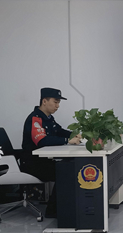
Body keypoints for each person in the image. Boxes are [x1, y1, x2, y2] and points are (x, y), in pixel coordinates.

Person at [21, 88, 81, 218]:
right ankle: (53, 210)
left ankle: (63, 207)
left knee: (68, 167)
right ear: (44, 101)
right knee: (65, 172)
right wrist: (67, 141)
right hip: (32, 164)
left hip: (44, 161)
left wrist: (75, 135)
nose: (57, 106)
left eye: (58, 103)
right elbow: (41, 141)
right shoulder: (35, 119)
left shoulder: (48, 118)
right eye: (55, 102)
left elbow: (59, 131)